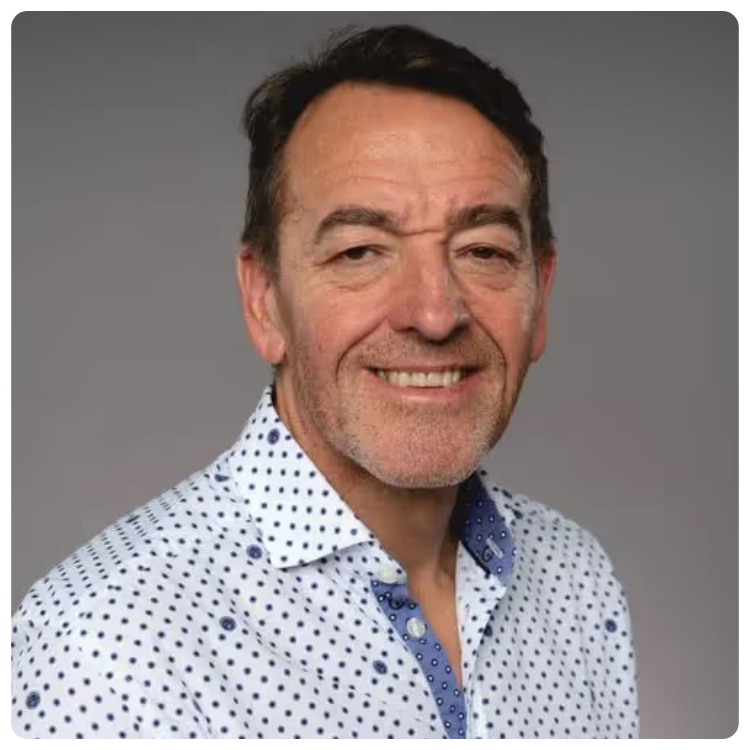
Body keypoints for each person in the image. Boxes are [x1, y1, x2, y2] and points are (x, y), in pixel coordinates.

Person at [11, 24, 639, 739]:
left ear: (540, 294)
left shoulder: (577, 583)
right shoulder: (106, 650)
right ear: (265, 301)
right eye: (361, 251)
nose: (436, 313)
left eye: (484, 250)